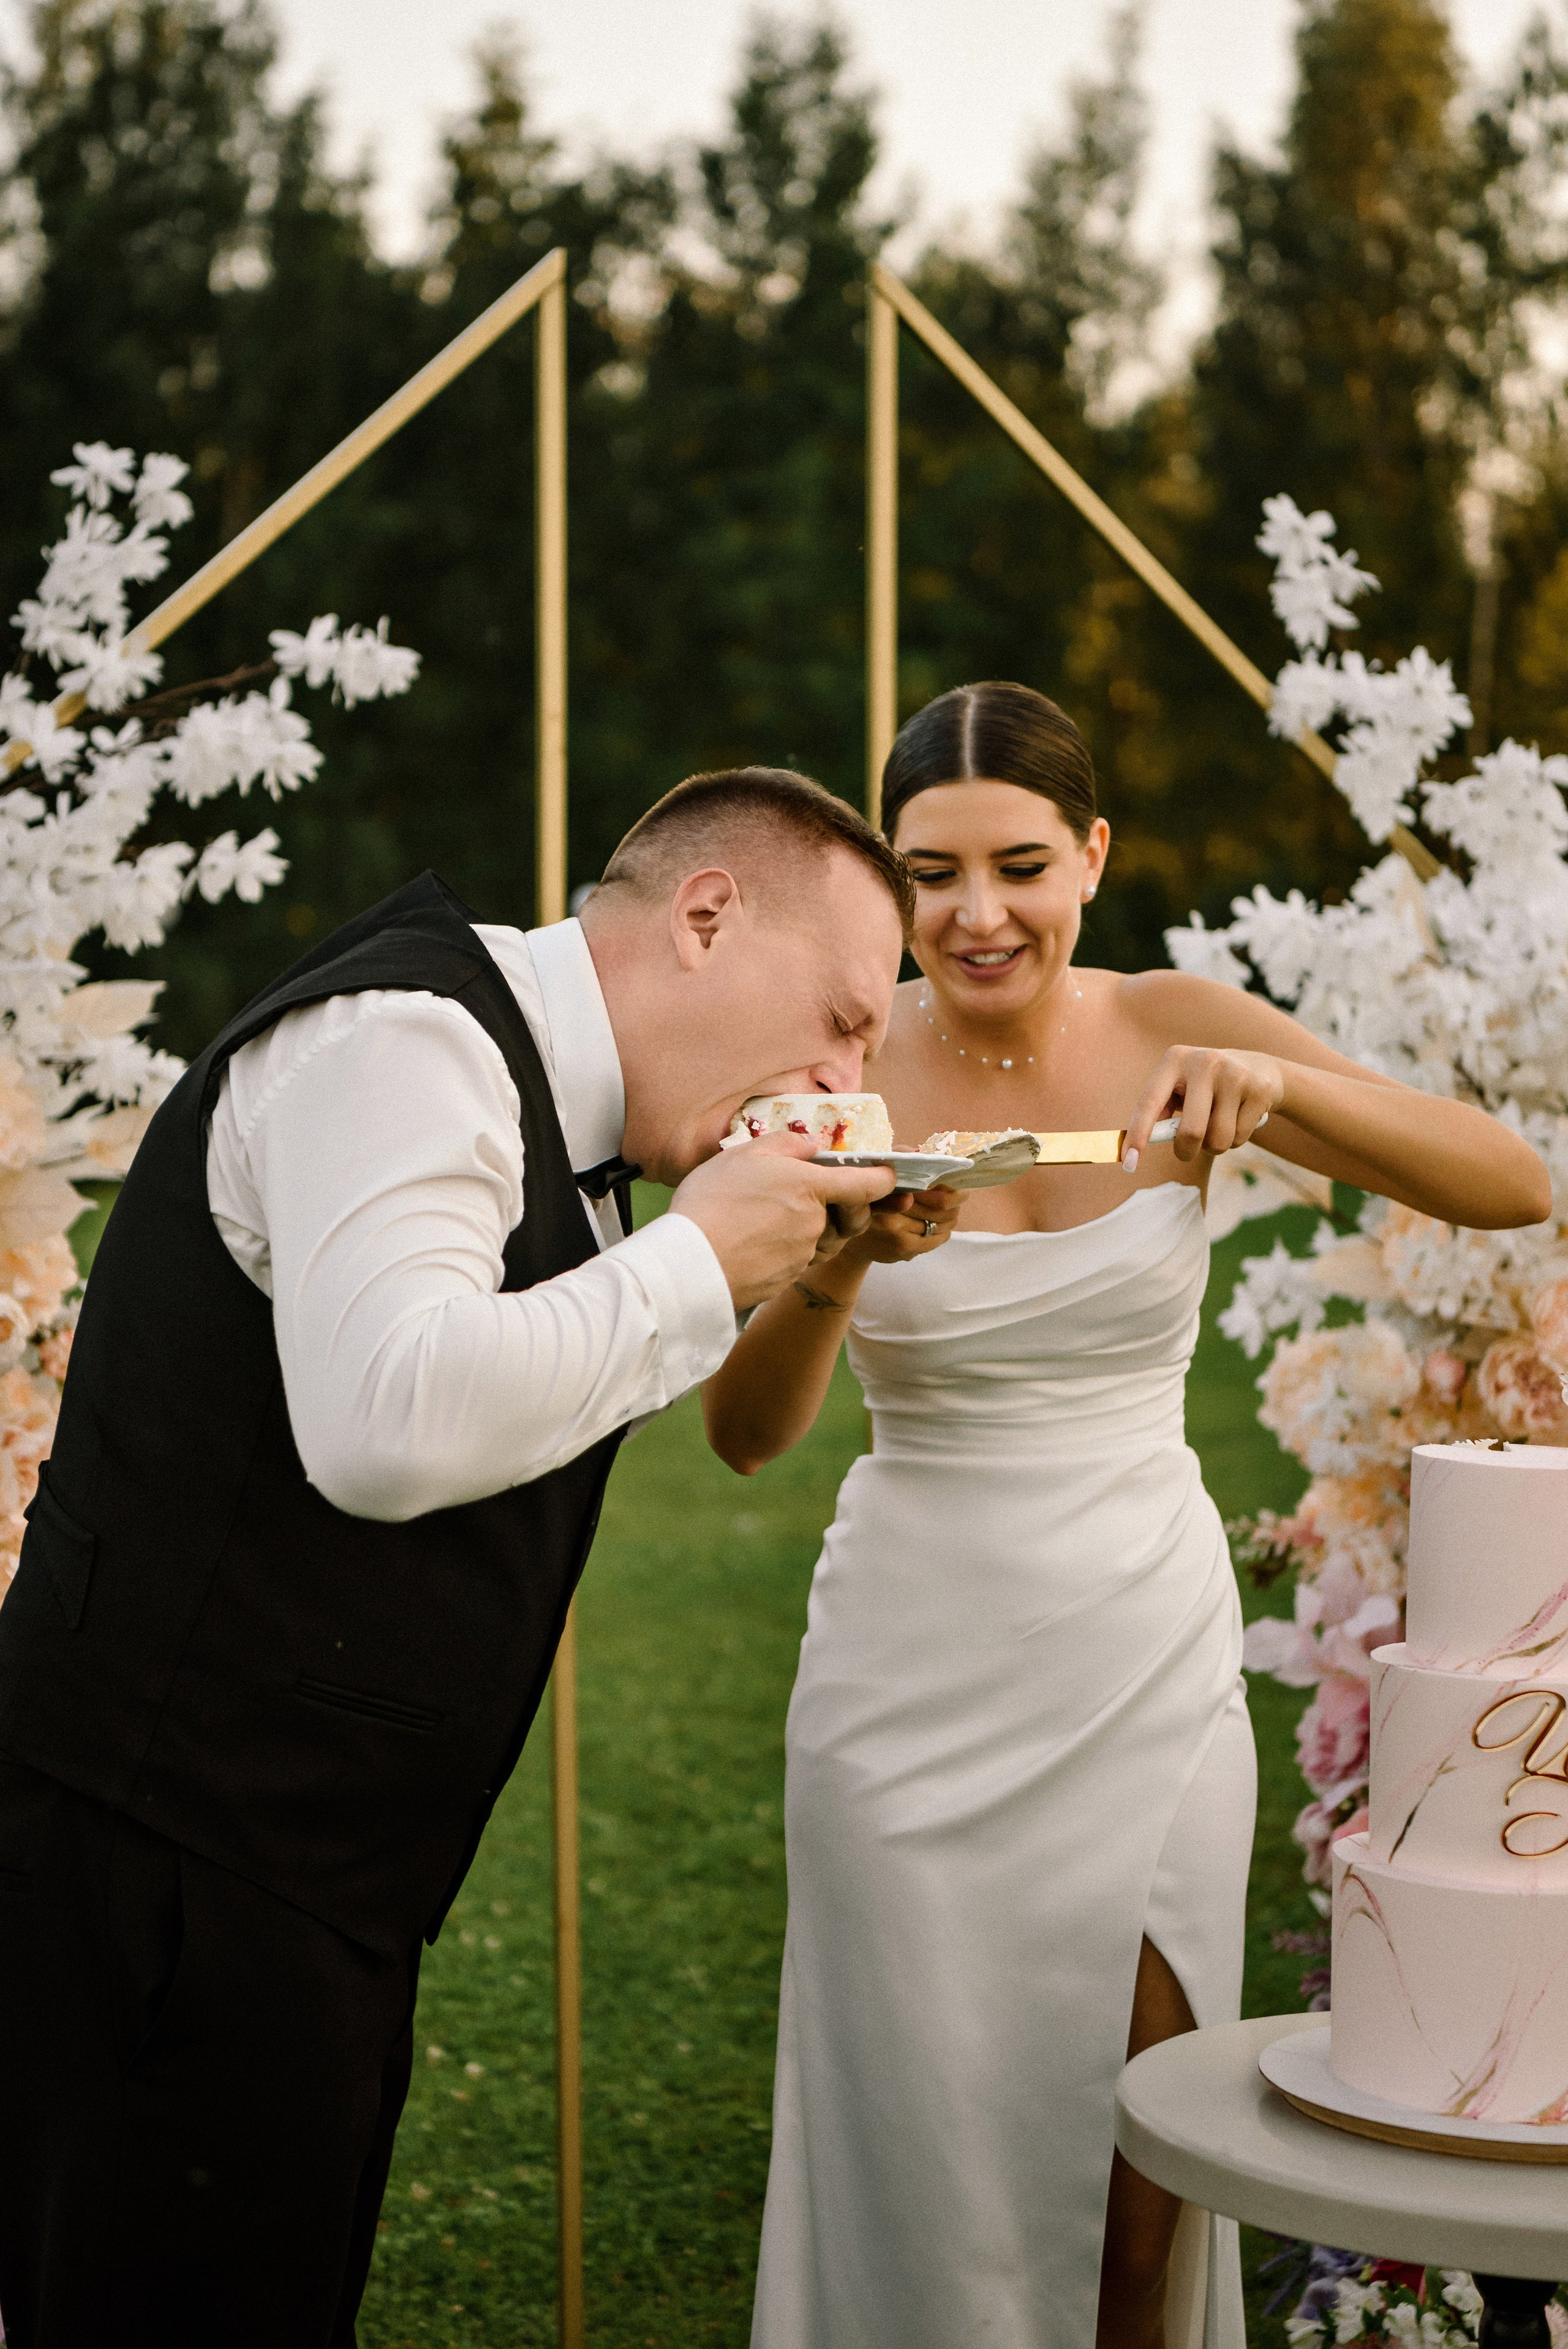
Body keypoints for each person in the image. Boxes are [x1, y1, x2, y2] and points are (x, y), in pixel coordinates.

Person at [0, 766, 908, 2349]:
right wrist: (699, 1260)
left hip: (299, 1893)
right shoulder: (409, 1044)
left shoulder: (537, 1107)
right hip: (158, 1884)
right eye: (841, 1016)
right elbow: (386, 1419)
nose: (846, 1069)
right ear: (704, 915)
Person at [704, 684, 1551, 2349]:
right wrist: (842, 1264)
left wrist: (1277, 1089)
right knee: (920, 2157)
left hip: (1138, 1669)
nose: (977, 912)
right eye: (931, 872)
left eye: (1021, 863)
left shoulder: (1177, 1023)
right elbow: (744, 1433)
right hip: (902, 1678)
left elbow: (1514, 1183)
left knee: (1140, 2181)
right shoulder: (834, 1061)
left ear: (1092, 854)